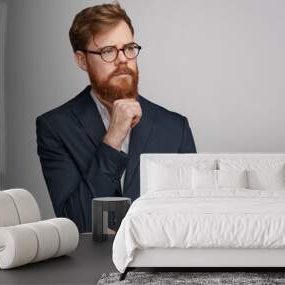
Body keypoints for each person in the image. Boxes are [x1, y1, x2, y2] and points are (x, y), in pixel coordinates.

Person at [36, 2, 196, 232]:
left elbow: (191, 219)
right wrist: (113, 140)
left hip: (159, 265)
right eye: (108, 51)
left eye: (129, 48)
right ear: (82, 60)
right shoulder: (55, 127)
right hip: (90, 265)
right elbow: (77, 223)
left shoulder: (174, 127)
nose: (123, 59)